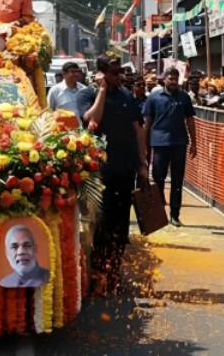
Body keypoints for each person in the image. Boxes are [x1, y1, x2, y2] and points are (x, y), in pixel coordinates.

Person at [78, 54, 149, 294]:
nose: (119, 76)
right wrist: (101, 91)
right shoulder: (86, 95)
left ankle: (114, 274)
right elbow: (91, 121)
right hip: (100, 171)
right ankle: (97, 275)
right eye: (113, 72)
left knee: (120, 225)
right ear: (102, 74)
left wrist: (143, 163)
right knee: (101, 224)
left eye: (120, 71)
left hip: (125, 168)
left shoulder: (128, 96)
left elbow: (138, 130)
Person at [141, 67, 197, 228]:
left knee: (177, 180)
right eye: (170, 79)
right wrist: (145, 147)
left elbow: (190, 120)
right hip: (159, 144)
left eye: (175, 79)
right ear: (164, 79)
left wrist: (194, 142)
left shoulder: (184, 97)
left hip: (179, 143)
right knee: (158, 179)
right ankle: (159, 214)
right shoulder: (153, 97)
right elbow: (147, 123)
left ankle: (175, 215)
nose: (173, 82)